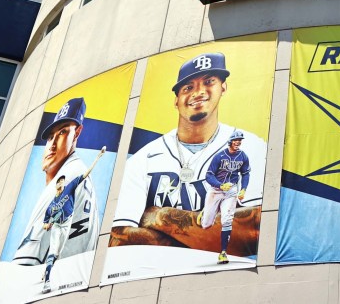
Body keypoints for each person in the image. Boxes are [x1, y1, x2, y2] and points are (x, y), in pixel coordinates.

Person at [110, 52, 266, 257]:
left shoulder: (252, 146)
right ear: (176, 100)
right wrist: (204, 239)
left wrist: (161, 216)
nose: (198, 92)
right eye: (188, 87)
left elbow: (254, 230)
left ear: (223, 88)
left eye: (209, 81)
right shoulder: (142, 160)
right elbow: (118, 240)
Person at [13, 97, 101, 268]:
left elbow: (22, 267)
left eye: (62, 132)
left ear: (77, 133)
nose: (52, 145)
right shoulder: (78, 172)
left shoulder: (64, 180)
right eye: (50, 137)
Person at [41, 146, 106, 289]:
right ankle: (47, 281)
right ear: (56, 185)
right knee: (53, 251)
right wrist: (48, 224)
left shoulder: (69, 188)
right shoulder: (51, 206)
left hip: (67, 223)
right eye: (60, 181)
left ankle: (47, 268)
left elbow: (85, 174)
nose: (62, 183)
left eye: (63, 181)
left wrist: (98, 157)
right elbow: (45, 224)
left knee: (58, 253)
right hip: (57, 227)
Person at [197, 130, 251, 263]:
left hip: (231, 191)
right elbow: (208, 175)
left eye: (240, 140)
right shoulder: (219, 156)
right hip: (216, 190)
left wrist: (243, 189)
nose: (238, 142)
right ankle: (206, 213)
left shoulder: (243, 156)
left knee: (227, 220)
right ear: (230, 141)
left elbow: (245, 174)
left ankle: (223, 253)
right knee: (206, 225)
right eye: (236, 139)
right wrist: (220, 185)